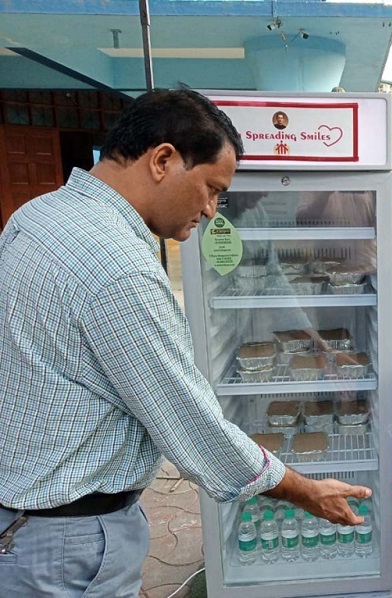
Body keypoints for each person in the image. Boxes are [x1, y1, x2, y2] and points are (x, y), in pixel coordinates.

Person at [0, 89, 369, 597]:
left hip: (25, 523)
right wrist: (305, 492)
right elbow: (193, 428)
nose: (214, 211)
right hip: (69, 546)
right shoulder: (118, 268)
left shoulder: (36, 216)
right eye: (212, 189)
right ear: (163, 160)